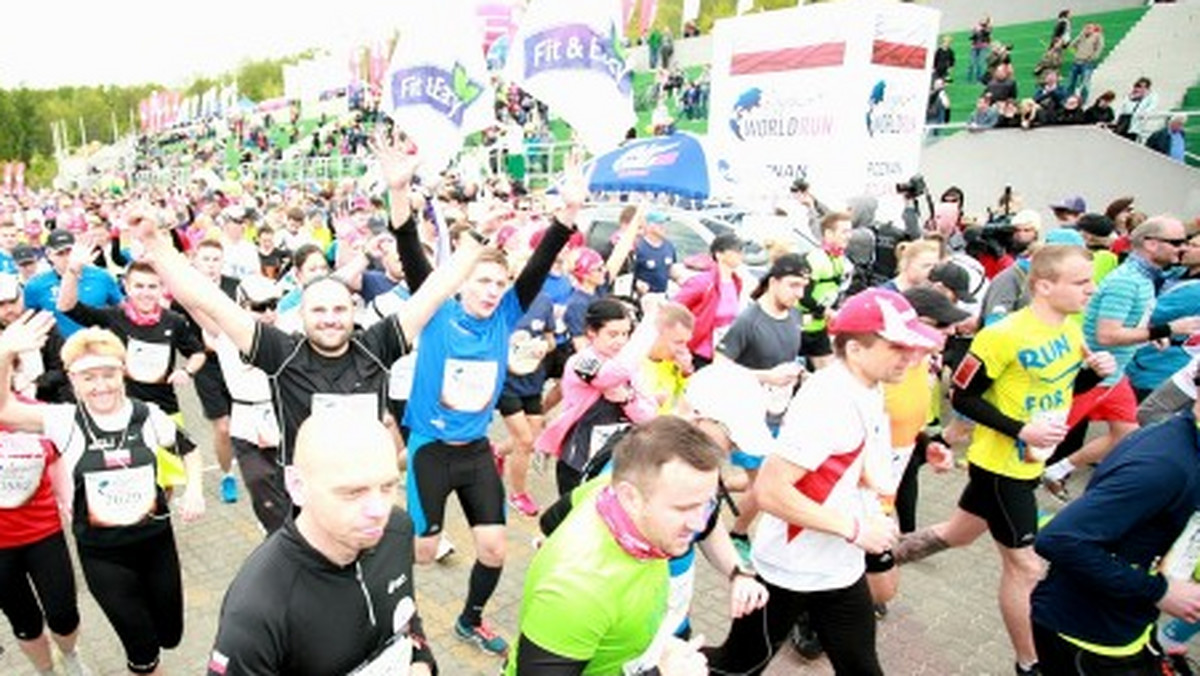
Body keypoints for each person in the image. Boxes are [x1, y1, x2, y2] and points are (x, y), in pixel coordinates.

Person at [395, 144, 586, 658]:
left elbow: (541, 261)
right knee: (424, 551)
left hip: (475, 449)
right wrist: (397, 191)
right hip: (431, 448)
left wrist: (566, 214)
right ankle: (394, 614)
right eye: (482, 281)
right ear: (459, 284)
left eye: (500, 284)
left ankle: (470, 620)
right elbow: (409, 245)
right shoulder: (435, 311)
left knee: (496, 548)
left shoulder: (504, 316)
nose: (492, 291)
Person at [894, 245, 1117, 676]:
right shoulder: (1003, 334)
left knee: (958, 534)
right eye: (1081, 282)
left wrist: (1094, 373)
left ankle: (876, 558)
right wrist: (1020, 430)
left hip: (1031, 460)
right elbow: (963, 396)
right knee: (1026, 566)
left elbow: (1062, 386)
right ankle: (1029, 664)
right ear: (1045, 285)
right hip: (1001, 466)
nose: (1092, 289)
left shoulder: (1070, 328)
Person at [705, 288, 944, 675]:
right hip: (790, 569)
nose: (912, 356)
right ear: (855, 350)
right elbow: (769, 489)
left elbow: (850, 452)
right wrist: (855, 530)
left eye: (914, 346)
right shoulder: (829, 401)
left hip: (837, 569)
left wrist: (918, 449)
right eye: (898, 346)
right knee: (737, 667)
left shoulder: (867, 384)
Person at [0, 318, 206, 675]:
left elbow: (189, 449)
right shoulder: (63, 421)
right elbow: (3, 410)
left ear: (122, 373)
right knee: (143, 652)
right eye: (88, 377)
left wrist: (195, 490)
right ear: (73, 381)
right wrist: (5, 353)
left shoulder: (148, 416)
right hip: (104, 557)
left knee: (170, 636)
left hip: (156, 545)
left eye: (108, 374)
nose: (100, 386)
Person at [207, 414, 437, 675]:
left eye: (387, 486)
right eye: (354, 492)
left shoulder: (397, 529)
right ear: (297, 486)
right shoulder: (256, 610)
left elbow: (405, 612)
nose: (379, 510)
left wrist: (421, 660)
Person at [506, 416, 718, 675]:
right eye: (684, 508)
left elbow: (550, 521)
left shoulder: (606, 489)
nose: (699, 524)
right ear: (632, 498)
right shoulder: (578, 589)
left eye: (707, 503)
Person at [1031, 370, 1200, 675]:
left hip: (1126, 628)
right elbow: (1059, 539)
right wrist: (1159, 592)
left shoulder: (1186, 443)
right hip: (1088, 637)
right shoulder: (1164, 465)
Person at [1043, 218, 1200, 500]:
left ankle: (1055, 472)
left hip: (1115, 377)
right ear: (1152, 244)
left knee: (1127, 433)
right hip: (1091, 375)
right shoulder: (1128, 281)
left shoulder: (1146, 279)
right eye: (1177, 242)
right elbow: (1107, 336)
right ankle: (1005, 491)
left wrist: (1151, 335)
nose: (1182, 248)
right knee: (1041, 440)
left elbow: (1132, 323)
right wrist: (1167, 329)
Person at [715, 253, 809, 559]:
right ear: (773, 281)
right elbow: (719, 368)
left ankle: (717, 486)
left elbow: (789, 358)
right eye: (794, 285)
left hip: (782, 414)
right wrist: (765, 376)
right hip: (748, 418)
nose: (799, 294)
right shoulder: (748, 321)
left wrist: (801, 376)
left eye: (804, 287)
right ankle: (738, 534)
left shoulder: (795, 316)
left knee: (769, 477)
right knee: (765, 484)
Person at [0, 409, 91, 675]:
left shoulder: (32, 414)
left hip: (43, 533)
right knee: (24, 621)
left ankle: (70, 654)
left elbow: (54, 460)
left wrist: (70, 502)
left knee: (63, 614)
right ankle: (46, 670)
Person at [538, 298, 660, 495]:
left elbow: (649, 416)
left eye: (625, 334)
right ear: (591, 333)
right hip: (580, 460)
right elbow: (611, 375)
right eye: (612, 334)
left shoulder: (632, 367)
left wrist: (627, 399)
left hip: (620, 462)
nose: (621, 340)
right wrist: (651, 322)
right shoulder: (581, 362)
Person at [182, 239, 242, 504]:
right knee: (223, 427)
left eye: (216, 259)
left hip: (239, 363)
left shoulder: (235, 287)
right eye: (205, 259)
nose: (211, 265)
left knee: (246, 423)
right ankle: (228, 475)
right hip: (208, 367)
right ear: (195, 261)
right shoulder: (185, 292)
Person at [22, 230, 123, 338]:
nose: (67, 258)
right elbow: (29, 321)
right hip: (59, 347)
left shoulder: (101, 276)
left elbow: (121, 309)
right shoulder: (36, 285)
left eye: (70, 252)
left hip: (97, 344)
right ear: (49, 254)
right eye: (60, 254)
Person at [673, 233, 745, 369]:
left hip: (723, 353)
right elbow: (674, 308)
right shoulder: (703, 282)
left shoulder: (736, 282)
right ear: (719, 254)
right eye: (735, 250)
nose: (740, 254)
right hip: (699, 351)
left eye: (741, 250)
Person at [0, 274, 70, 403]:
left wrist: (37, 384)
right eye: (1, 305)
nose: (9, 309)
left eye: (12, 302)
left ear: (21, 298)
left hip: (47, 401)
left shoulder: (42, 324)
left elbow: (64, 367)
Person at [800, 212, 853, 370]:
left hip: (818, 326)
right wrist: (826, 311)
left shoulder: (839, 259)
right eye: (844, 231)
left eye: (850, 231)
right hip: (798, 327)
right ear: (829, 234)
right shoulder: (816, 258)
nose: (849, 236)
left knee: (827, 375)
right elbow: (803, 295)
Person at [1066, 24, 1104, 104]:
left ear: (1093, 29)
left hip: (1087, 63)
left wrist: (1092, 58)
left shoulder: (1097, 36)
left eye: (1089, 28)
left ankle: (1083, 100)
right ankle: (1069, 98)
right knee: (1071, 81)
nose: (1087, 29)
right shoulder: (1082, 36)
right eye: (1086, 28)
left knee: (1085, 83)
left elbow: (1099, 48)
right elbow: (1072, 45)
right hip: (1076, 61)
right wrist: (1081, 35)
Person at [1114, 77, 1158, 142]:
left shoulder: (1151, 96)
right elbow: (1123, 108)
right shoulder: (1131, 95)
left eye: (1144, 87)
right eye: (1140, 86)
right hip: (1124, 123)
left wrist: (1142, 114)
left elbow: (1151, 108)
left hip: (1135, 126)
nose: (1141, 89)